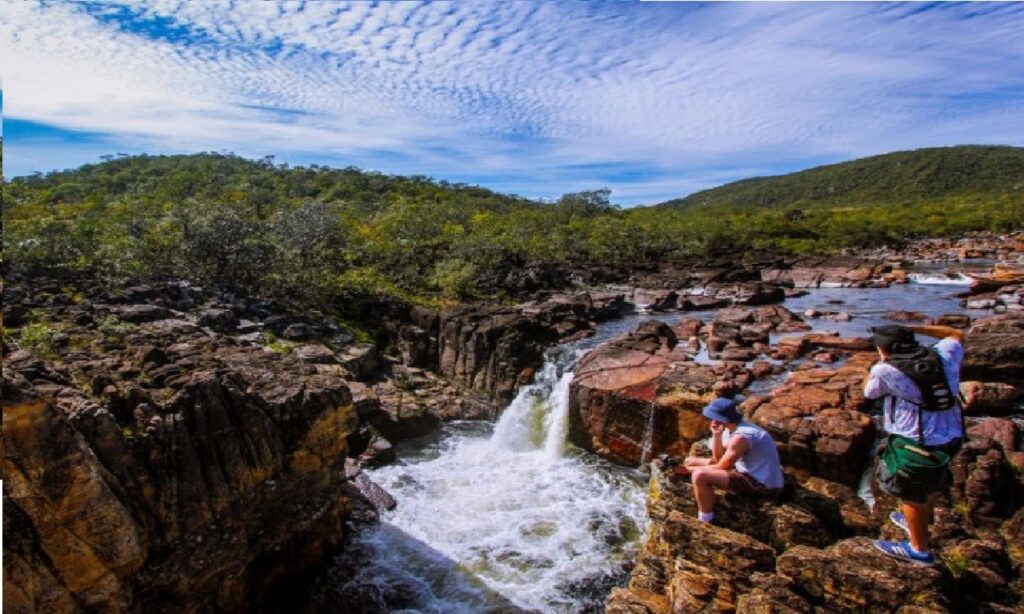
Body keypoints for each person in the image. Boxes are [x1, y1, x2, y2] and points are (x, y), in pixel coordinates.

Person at [865, 324, 965, 567]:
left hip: (916, 442)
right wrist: (911, 327)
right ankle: (919, 520)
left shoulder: (885, 369)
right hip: (952, 435)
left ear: (883, 349)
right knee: (927, 483)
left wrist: (877, 364)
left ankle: (919, 551)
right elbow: (956, 334)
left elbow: (869, 393)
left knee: (911, 494)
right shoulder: (943, 353)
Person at [666, 397, 785, 523]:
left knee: (699, 475)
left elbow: (723, 467)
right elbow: (717, 460)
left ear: (721, 417)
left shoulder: (742, 436)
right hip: (743, 470)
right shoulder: (730, 428)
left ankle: (705, 519)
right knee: (690, 460)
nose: (711, 419)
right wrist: (716, 435)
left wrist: (688, 470)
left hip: (762, 484)